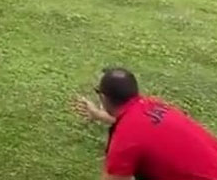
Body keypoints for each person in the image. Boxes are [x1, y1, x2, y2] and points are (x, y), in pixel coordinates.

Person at [74, 67, 217, 180]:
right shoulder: (153, 104)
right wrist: (99, 115)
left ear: (103, 98)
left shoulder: (124, 142)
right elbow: (138, 129)